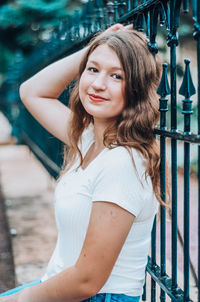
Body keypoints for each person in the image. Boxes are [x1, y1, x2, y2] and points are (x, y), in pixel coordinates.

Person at [0, 23, 162, 302]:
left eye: (117, 76)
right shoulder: (89, 139)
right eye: (93, 69)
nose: (98, 84)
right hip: (61, 287)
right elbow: (31, 92)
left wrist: (19, 299)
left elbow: (87, 282)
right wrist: (94, 48)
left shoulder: (122, 162)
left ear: (136, 89)